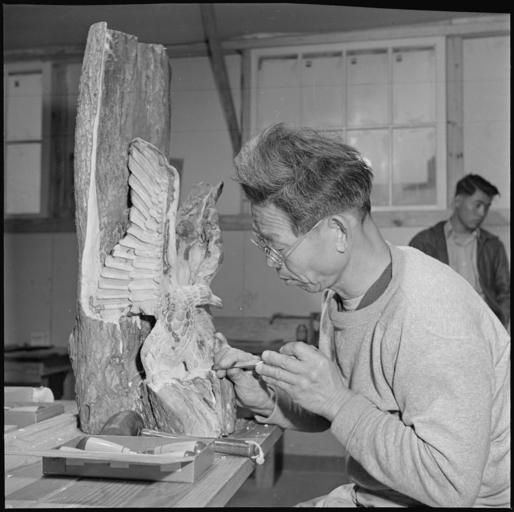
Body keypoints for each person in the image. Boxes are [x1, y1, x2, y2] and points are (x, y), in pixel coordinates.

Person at [213, 123, 510, 507]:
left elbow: (451, 487)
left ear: (338, 232)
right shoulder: (341, 295)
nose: (272, 262)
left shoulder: (431, 315)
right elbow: (342, 408)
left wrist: (338, 401)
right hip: (385, 492)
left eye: (278, 247)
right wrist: (270, 400)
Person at [409, 174, 510, 329]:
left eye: (487, 207)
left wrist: (500, 329)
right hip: (440, 327)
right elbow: (412, 294)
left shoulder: (493, 246)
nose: (482, 213)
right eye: (478, 205)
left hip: (484, 328)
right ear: (457, 201)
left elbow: (505, 293)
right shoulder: (424, 243)